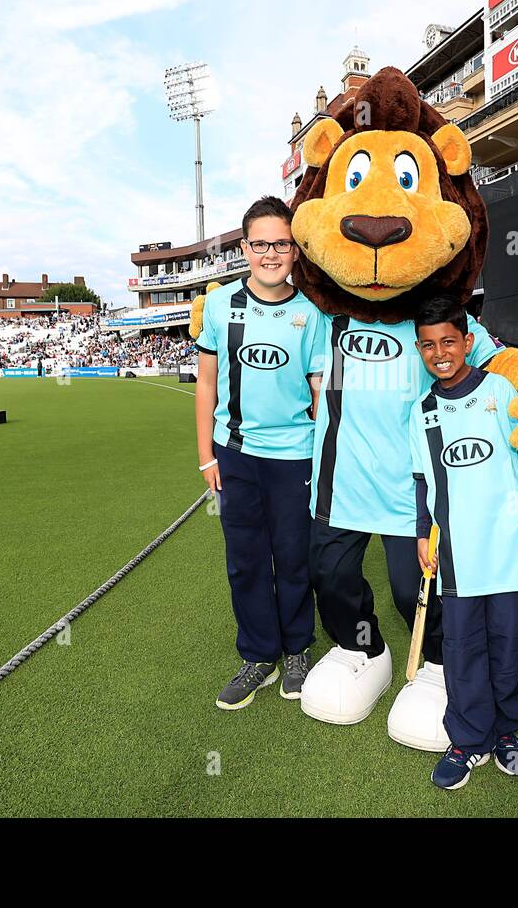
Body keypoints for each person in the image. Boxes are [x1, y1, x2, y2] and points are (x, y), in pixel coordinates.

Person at [408, 295, 518, 790]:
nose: (439, 352)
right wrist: (421, 534)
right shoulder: (422, 412)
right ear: (420, 350)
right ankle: (470, 739)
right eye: (428, 345)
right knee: (463, 648)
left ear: (468, 341)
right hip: (457, 558)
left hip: (508, 549)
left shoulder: (502, 388)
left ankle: (506, 729)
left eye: (449, 341)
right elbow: (422, 483)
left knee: (509, 643)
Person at [195, 195, 327, 710]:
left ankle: (297, 649)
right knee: (245, 560)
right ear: (245, 248)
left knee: (294, 557)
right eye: (260, 244)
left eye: (281, 244)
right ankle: (258, 655)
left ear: (295, 251)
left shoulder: (312, 314)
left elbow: (319, 389)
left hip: (295, 456)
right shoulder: (221, 305)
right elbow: (206, 384)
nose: (270, 253)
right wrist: (206, 455)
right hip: (236, 455)